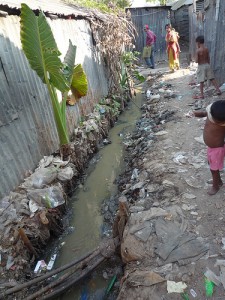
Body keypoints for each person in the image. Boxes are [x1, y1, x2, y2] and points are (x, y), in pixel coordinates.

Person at [193, 100, 225, 195]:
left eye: (216, 121)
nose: (211, 118)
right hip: (211, 148)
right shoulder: (212, 112)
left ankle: (216, 186)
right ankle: (218, 181)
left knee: (213, 169)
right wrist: (195, 114)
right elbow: (204, 113)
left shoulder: (223, 123)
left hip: (217, 149)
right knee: (211, 165)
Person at [194, 35, 221, 99]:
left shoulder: (198, 50)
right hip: (207, 65)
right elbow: (208, 58)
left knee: (201, 81)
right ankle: (218, 90)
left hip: (201, 66)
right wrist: (208, 64)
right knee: (212, 78)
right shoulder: (206, 49)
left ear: (198, 42)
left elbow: (196, 61)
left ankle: (202, 95)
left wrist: (196, 55)